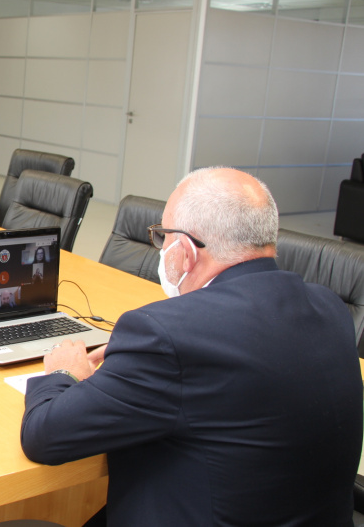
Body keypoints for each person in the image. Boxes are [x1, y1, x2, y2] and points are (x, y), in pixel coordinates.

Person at [20, 167, 363, 526]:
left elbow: (44, 437)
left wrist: (63, 372)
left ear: (185, 251)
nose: (160, 247)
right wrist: (136, 366)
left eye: (161, 237)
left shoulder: (167, 333)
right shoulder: (331, 309)